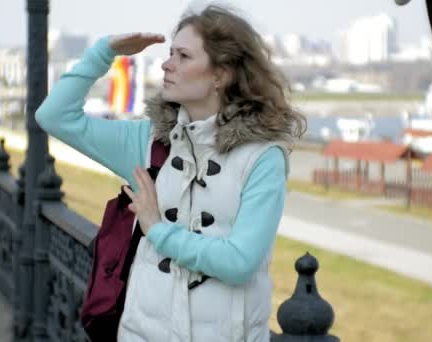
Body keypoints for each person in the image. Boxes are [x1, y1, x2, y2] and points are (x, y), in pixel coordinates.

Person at [35, 5, 306, 341]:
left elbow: (240, 262)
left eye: (183, 56)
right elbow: (54, 116)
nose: (167, 63)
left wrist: (157, 229)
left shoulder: (262, 157)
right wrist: (105, 52)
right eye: (169, 53)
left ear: (221, 74)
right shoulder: (149, 141)